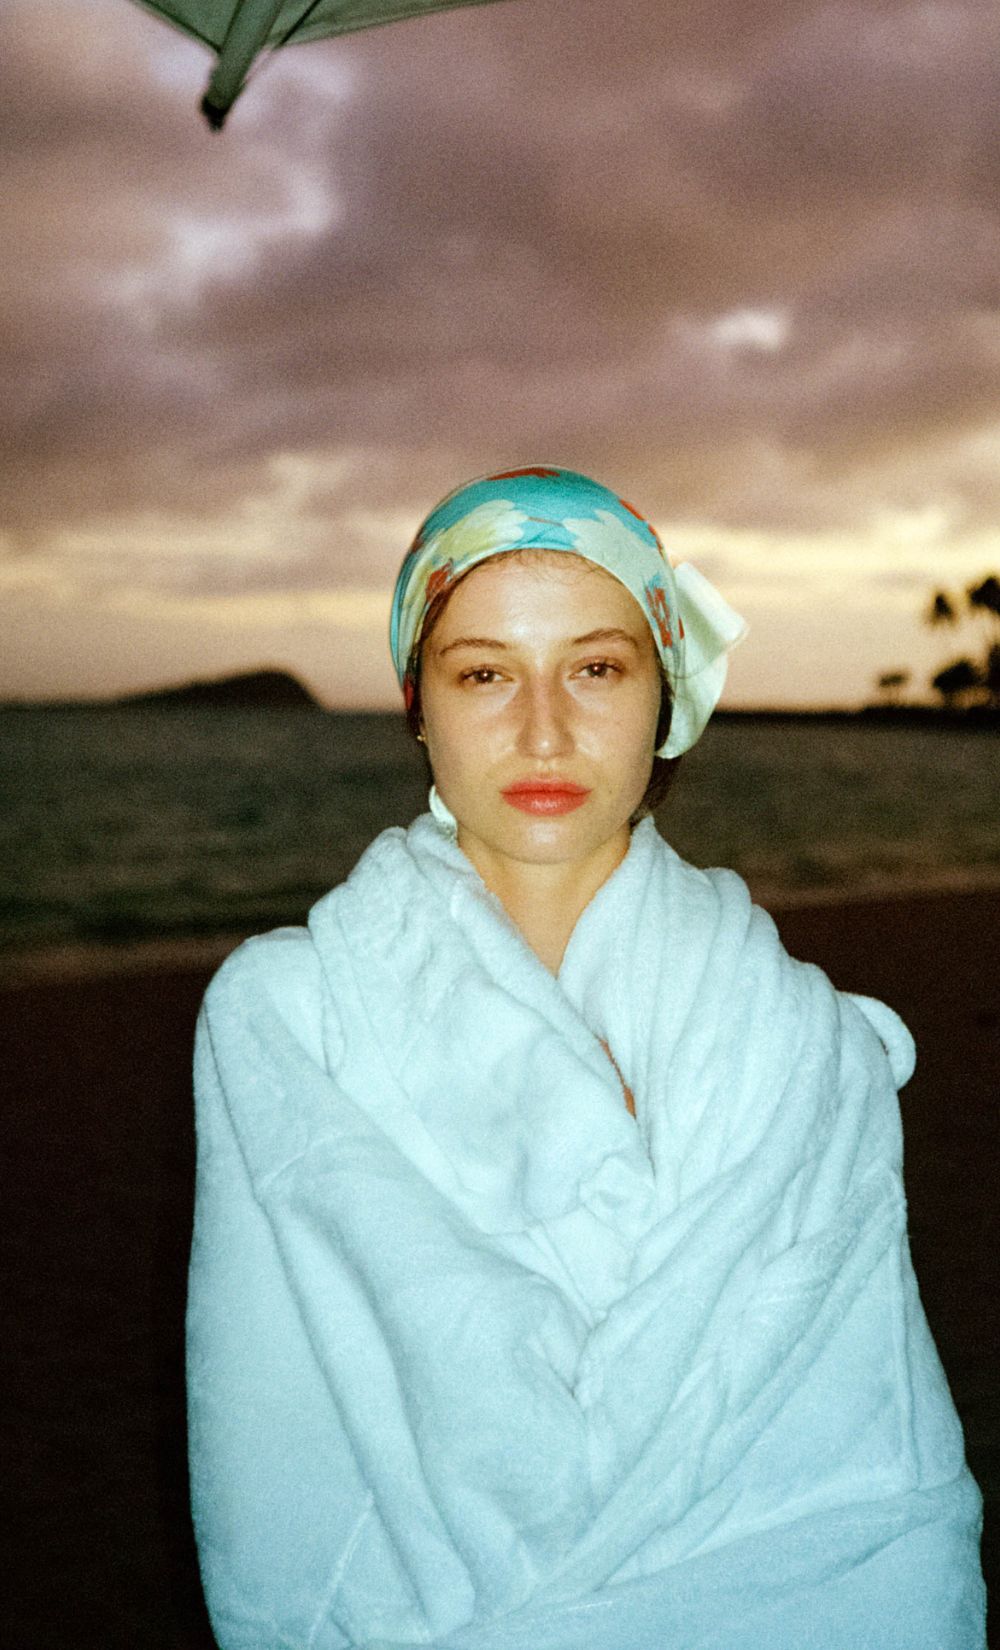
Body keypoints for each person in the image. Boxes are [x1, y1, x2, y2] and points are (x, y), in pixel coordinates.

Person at [187, 466, 985, 1649]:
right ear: (417, 704)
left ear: (662, 694)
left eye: (596, 669)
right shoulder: (288, 1019)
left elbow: (881, 1486)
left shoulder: (804, 1043)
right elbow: (271, 1471)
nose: (543, 730)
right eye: (484, 673)